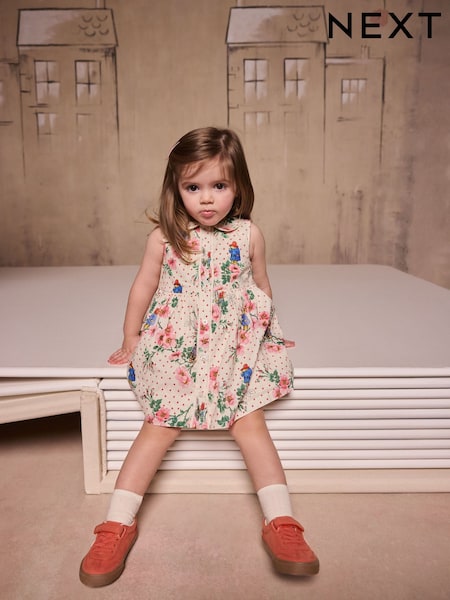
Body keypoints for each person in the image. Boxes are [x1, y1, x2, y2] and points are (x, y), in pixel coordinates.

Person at [79, 127, 319, 587]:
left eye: (219, 185)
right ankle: (116, 524)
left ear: (238, 186)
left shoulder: (249, 234)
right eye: (193, 187)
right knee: (158, 425)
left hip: (233, 346)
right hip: (178, 345)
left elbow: (260, 286)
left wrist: (270, 332)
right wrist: (131, 337)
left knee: (250, 422)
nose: (206, 199)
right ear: (176, 189)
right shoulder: (164, 238)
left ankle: (281, 522)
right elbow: (143, 287)